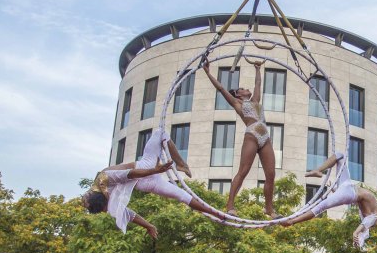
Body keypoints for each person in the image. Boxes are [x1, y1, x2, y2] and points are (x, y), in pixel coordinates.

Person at [82, 127, 225, 235]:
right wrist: (148, 226)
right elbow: (130, 211)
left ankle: (216, 213)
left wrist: (148, 225)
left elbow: (130, 179)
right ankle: (182, 165)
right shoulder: (102, 184)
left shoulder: (106, 191)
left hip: (144, 177)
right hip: (145, 172)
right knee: (160, 133)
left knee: (181, 195)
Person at [201, 59, 276, 216]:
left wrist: (257, 69)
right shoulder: (237, 103)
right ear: (238, 94)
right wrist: (208, 72)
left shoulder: (255, 100)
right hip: (252, 135)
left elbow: (258, 84)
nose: (246, 89)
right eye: (243, 88)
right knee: (243, 171)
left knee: (271, 174)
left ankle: (269, 208)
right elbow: (221, 88)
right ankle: (230, 206)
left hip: (265, 137)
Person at [281, 152, 377, 250]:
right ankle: (318, 170)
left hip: (349, 193)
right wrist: (336, 191)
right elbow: (360, 205)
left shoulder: (374, 217)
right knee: (340, 155)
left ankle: (292, 221)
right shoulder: (376, 210)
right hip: (347, 186)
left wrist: (356, 233)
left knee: (320, 207)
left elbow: (364, 224)